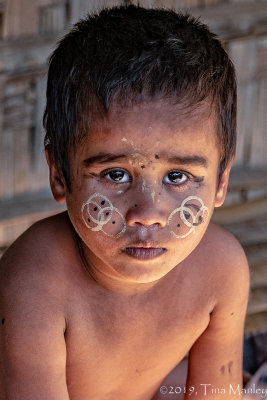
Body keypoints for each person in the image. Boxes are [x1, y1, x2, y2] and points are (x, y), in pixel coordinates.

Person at [0, 5, 249, 400]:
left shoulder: (221, 268)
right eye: (115, 175)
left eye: (178, 177)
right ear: (59, 175)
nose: (147, 214)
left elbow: (216, 391)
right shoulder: (35, 282)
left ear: (220, 182)